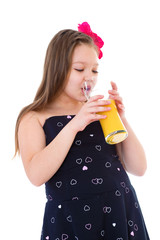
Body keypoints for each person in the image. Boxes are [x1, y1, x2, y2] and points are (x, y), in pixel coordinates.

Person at [15, 22, 150, 240]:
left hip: (120, 208)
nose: (90, 77)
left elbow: (139, 167)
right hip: (72, 219)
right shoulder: (35, 117)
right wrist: (75, 124)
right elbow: (36, 175)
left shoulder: (98, 111)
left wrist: (121, 118)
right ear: (57, 68)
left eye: (95, 70)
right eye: (80, 69)